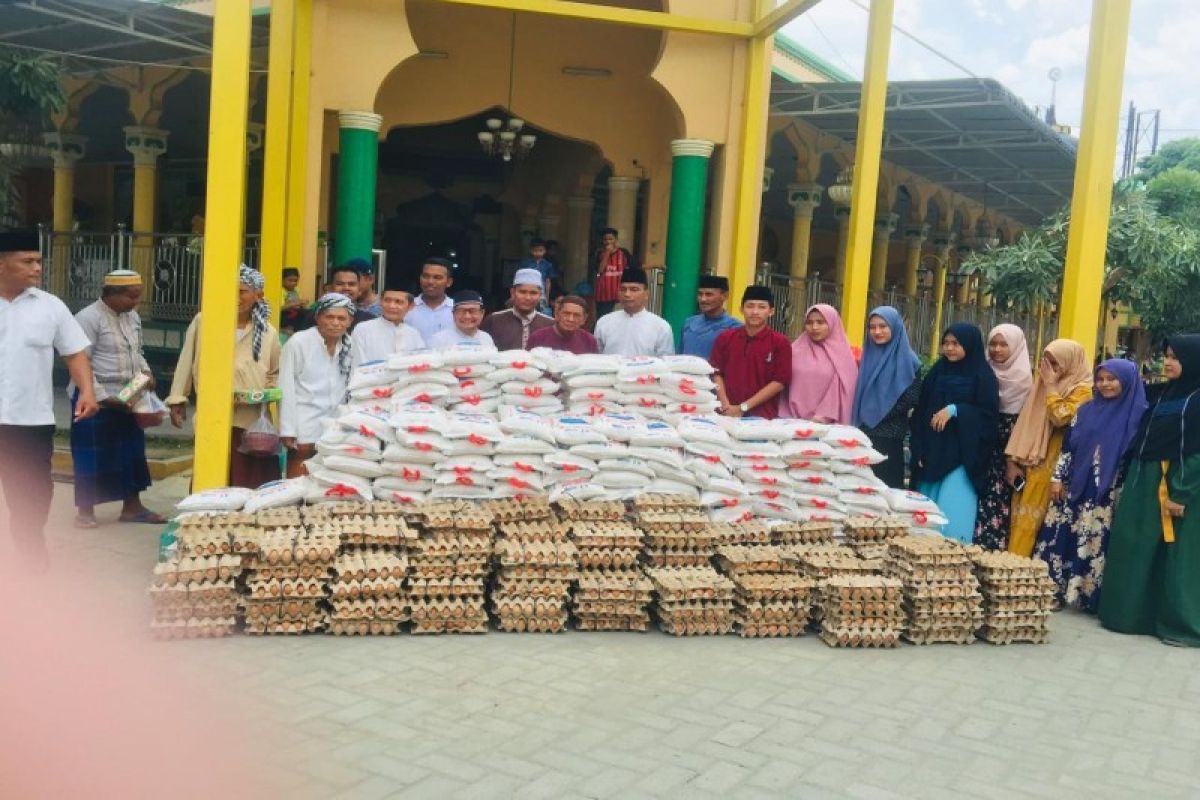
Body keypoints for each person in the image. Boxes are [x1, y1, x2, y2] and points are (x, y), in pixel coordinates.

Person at [0, 230, 98, 569]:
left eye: (39, 261)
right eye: (27, 262)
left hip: (31, 422)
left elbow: (74, 353)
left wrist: (87, 390)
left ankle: (30, 557)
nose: (37, 268)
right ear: (2, 264)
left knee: (33, 496)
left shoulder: (50, 307)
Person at [1100, 336, 1200, 647]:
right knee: (1135, 544)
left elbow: (1196, 450)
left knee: (1176, 557)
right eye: (1166, 356)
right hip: (1144, 478)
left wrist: (1182, 492)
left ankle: (1180, 625)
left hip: (1179, 482)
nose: (1168, 362)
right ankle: (1130, 616)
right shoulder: (1161, 392)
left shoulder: (1197, 399)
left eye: (1175, 358)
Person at [1034, 359, 1146, 612]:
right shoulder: (1086, 410)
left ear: (1127, 381)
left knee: (1097, 540)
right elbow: (1069, 447)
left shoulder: (1139, 414)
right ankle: (1050, 591)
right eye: (1100, 379)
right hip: (1075, 485)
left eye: (1111, 379)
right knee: (1059, 537)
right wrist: (1057, 478)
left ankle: (1089, 597)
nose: (1104, 384)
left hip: (1108, 492)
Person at [167, 265, 283, 489]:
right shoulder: (206, 320)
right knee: (211, 474)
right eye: (231, 291)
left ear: (258, 295)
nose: (236, 297)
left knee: (250, 478)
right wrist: (177, 399)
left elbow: (275, 372)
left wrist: (265, 393)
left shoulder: (268, 331)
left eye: (242, 291)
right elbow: (186, 360)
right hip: (213, 411)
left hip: (251, 418)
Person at [69, 270, 165, 528]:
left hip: (129, 395)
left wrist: (146, 373)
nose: (135, 303)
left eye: (138, 297)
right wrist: (99, 397)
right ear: (112, 294)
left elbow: (138, 351)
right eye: (131, 297)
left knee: (131, 452)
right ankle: (85, 512)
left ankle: (132, 507)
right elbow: (80, 361)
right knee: (91, 456)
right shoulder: (87, 318)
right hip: (93, 396)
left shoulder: (132, 317)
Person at [909, 323, 1000, 543]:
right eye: (946, 343)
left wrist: (957, 410)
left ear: (970, 345)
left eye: (955, 344)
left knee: (953, 513)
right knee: (925, 518)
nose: (949, 348)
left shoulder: (983, 376)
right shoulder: (936, 372)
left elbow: (988, 416)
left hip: (962, 457)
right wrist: (919, 447)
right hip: (933, 453)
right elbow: (921, 412)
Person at [1005, 339, 1094, 557]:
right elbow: (1025, 424)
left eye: (1056, 364)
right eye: (1047, 364)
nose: (1050, 371)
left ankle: (1022, 575)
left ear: (1071, 363)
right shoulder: (1042, 385)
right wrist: (1012, 461)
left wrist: (1052, 387)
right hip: (1030, 462)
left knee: (1040, 525)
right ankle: (1010, 572)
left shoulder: (1084, 391)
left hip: (1056, 466)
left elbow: (1061, 417)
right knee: (1021, 521)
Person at [279, 293, 354, 478]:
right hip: (304, 422)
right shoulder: (299, 342)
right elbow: (285, 385)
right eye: (329, 317)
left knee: (329, 481)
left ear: (350, 321)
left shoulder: (349, 344)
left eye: (341, 318)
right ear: (318, 317)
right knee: (298, 479)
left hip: (336, 424)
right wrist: (287, 428)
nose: (335, 323)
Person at [973, 324, 1034, 550]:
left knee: (1000, 507)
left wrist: (1012, 459)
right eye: (993, 344)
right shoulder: (981, 372)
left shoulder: (1025, 382)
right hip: (981, 452)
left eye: (1003, 344)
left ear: (1016, 347)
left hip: (1008, 457)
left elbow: (1026, 426)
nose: (997, 349)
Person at [850, 306, 923, 488]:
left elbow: (910, 398)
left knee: (886, 488)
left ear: (895, 327)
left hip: (890, 433)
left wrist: (876, 414)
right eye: (872, 327)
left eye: (883, 326)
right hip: (862, 433)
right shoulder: (867, 356)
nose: (877, 331)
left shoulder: (909, 360)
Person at [708, 286, 792, 420]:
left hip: (762, 417)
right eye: (750, 306)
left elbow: (779, 382)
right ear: (741, 309)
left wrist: (743, 407)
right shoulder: (725, 338)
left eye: (762, 307)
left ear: (771, 311)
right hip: (725, 414)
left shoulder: (780, 342)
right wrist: (725, 404)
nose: (755, 312)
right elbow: (716, 373)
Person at [783, 304, 857, 423]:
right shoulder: (794, 350)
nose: (814, 327)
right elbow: (782, 384)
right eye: (809, 322)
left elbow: (845, 390)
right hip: (790, 422)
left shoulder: (844, 357)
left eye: (821, 322)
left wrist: (820, 419)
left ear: (832, 323)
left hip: (827, 427)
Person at [593, 267, 673, 357]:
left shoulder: (661, 327)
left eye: (634, 289)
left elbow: (666, 363)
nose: (627, 294)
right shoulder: (604, 322)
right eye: (623, 289)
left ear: (646, 294)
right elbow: (596, 358)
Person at [480, 268, 553, 350]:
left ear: (540, 295)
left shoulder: (550, 324)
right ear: (512, 293)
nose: (527, 297)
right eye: (522, 292)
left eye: (533, 293)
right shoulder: (494, 320)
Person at [350, 289, 425, 366]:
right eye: (387, 300)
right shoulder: (363, 329)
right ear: (380, 302)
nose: (391, 306)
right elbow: (358, 365)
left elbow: (421, 363)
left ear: (410, 306)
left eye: (398, 302)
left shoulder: (413, 333)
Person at [680, 275, 740, 359]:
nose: (703, 299)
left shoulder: (735, 328)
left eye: (709, 294)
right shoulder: (689, 323)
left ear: (724, 296)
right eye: (700, 294)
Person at [527, 295, 599, 354]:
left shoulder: (589, 341)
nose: (570, 319)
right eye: (566, 314)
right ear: (557, 314)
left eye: (576, 315)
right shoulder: (538, 338)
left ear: (584, 319)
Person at [406, 257, 455, 343]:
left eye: (437, 277)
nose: (430, 281)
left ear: (449, 282)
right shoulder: (406, 307)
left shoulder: (457, 310)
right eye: (426, 276)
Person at [429, 290, 495, 350]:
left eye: (472, 311)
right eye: (461, 311)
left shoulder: (486, 338)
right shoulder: (439, 339)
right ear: (453, 314)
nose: (467, 316)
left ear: (482, 313)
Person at [593, 227, 635, 318]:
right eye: (605, 239)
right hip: (604, 293)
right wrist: (607, 253)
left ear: (615, 240)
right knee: (603, 317)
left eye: (610, 239)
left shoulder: (623, 253)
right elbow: (599, 271)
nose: (608, 241)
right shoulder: (599, 253)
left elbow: (634, 267)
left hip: (620, 292)